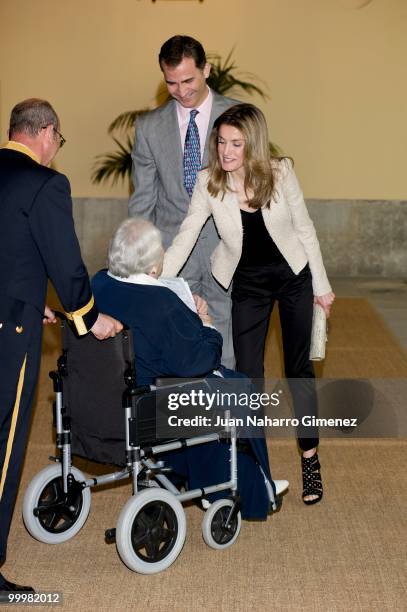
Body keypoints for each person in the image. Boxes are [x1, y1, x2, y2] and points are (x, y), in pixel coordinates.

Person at [162, 103, 335, 505]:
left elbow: (305, 229)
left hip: (293, 278)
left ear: (252, 143)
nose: (226, 151)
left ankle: (310, 458)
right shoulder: (209, 181)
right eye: (221, 142)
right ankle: (256, 467)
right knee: (247, 374)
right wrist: (158, 280)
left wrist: (321, 287)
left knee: (297, 369)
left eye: (236, 143)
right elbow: (187, 235)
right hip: (248, 285)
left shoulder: (280, 173)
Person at [0, 98, 123, 592]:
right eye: (58, 141)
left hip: (15, 310)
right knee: (6, 445)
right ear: (47, 133)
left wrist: (33, 301)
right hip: (11, 335)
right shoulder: (46, 184)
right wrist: (86, 318)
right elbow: (65, 263)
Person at [92, 217, 288, 520]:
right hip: (151, 408)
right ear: (155, 265)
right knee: (238, 389)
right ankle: (255, 491)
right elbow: (196, 362)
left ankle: (201, 479)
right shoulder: (161, 301)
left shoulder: (98, 284)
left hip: (102, 401)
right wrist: (208, 325)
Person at [128, 35, 238, 368]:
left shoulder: (238, 114)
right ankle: (185, 411)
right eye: (171, 82)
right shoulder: (149, 127)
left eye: (188, 79)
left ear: (207, 69)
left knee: (225, 332)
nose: (181, 90)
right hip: (171, 249)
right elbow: (143, 199)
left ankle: (227, 411)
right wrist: (140, 257)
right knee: (177, 336)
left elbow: (255, 187)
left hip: (227, 245)